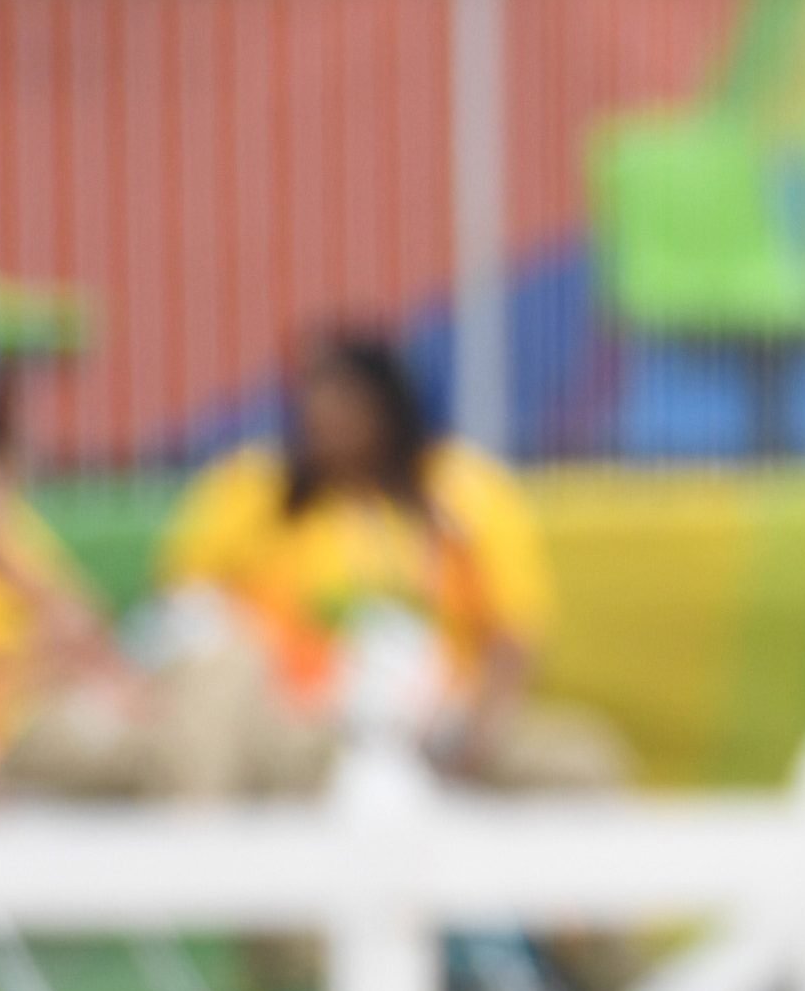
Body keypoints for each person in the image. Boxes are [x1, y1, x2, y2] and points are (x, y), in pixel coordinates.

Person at [151, 327, 624, 795]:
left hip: (439, 723)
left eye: (345, 400)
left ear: (389, 407)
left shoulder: (462, 490)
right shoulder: (253, 490)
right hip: (297, 723)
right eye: (314, 398)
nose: (324, 416)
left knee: (583, 760)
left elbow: (515, 629)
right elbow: (191, 617)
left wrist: (478, 734)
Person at [0, 381, 150, 796]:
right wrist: (32, 662)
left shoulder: (13, 532)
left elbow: (88, 625)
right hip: (4, 731)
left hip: (72, 705)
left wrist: (5, 562)